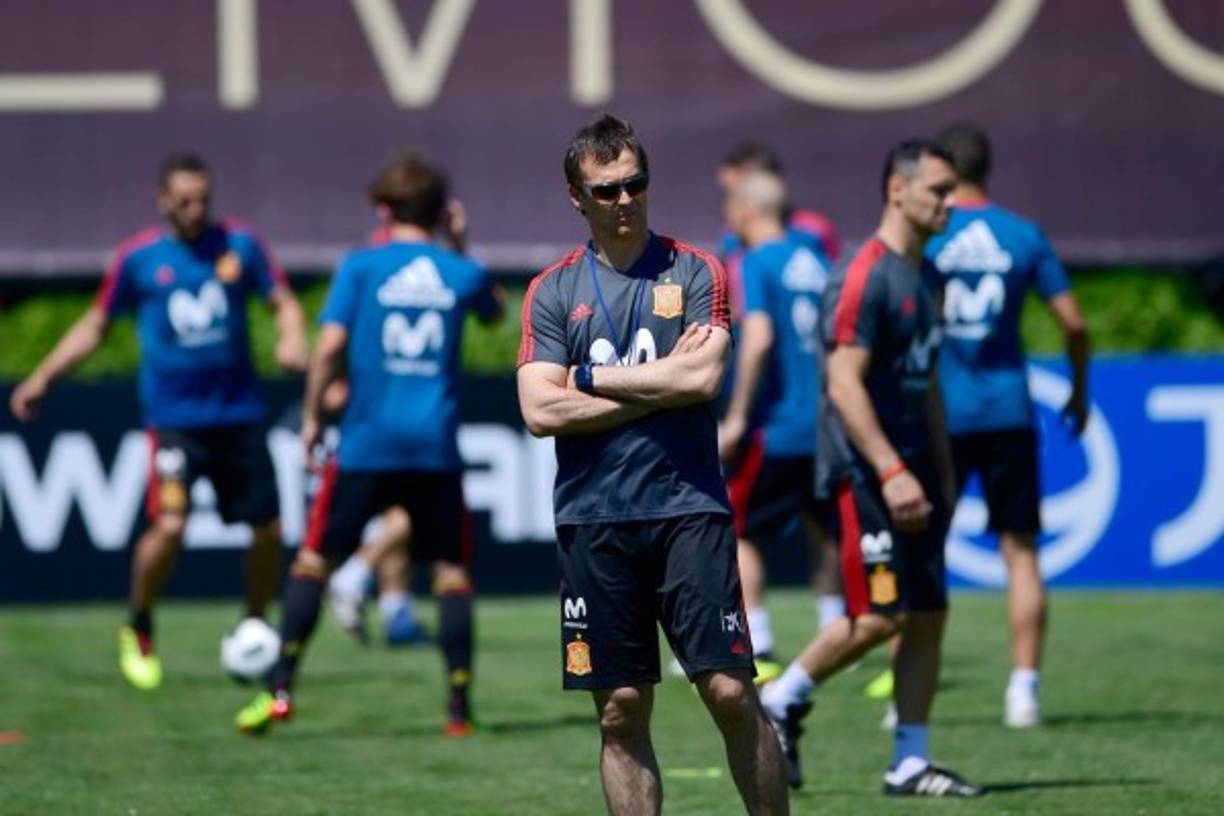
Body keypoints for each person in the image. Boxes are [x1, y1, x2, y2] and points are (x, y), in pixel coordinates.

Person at [517, 114, 789, 815]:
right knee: (621, 711)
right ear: (577, 198)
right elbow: (540, 414)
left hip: (686, 509)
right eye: (605, 190)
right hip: (593, 519)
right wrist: (657, 383)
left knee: (730, 692)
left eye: (634, 183)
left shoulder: (697, 270)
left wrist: (587, 379)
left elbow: (701, 384)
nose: (624, 200)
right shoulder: (552, 292)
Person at [8, 152, 306, 691]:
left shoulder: (239, 245)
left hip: (238, 414)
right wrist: (43, 377)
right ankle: (140, 623)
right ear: (163, 199)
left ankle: (253, 622)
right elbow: (96, 324)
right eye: (186, 200)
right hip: (175, 421)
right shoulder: (140, 258)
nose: (197, 209)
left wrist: (291, 336)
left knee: (269, 530)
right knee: (170, 524)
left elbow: (282, 300)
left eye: (204, 199)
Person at [234, 152, 503, 736]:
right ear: (439, 213)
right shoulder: (460, 272)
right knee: (452, 573)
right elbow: (493, 314)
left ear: (384, 210)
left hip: (365, 443)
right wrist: (460, 244)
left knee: (312, 560)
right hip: (434, 446)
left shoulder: (360, 267)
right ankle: (458, 709)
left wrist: (310, 415)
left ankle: (280, 689)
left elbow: (328, 348)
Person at [760, 139, 981, 797]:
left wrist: (940, 471)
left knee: (930, 611)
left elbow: (928, 384)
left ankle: (910, 761)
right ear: (897, 190)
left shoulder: (931, 276)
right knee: (881, 613)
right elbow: (845, 385)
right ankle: (781, 699)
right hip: (867, 471)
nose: (951, 202)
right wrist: (890, 470)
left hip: (916, 470)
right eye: (939, 190)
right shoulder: (863, 272)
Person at [926, 122, 1090, 728]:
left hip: (941, 411)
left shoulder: (931, 235)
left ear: (943, 169)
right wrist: (1079, 390)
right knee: (1020, 553)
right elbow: (1073, 323)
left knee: (922, 550)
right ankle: (1024, 689)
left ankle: (906, 695)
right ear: (988, 167)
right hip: (1007, 411)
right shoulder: (1023, 235)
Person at [718, 142, 847, 633]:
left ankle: (760, 640)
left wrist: (736, 417)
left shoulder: (755, 261)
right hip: (827, 422)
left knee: (737, 528)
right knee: (826, 528)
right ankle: (837, 631)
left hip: (777, 426)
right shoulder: (817, 259)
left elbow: (759, 338)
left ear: (747, 210)